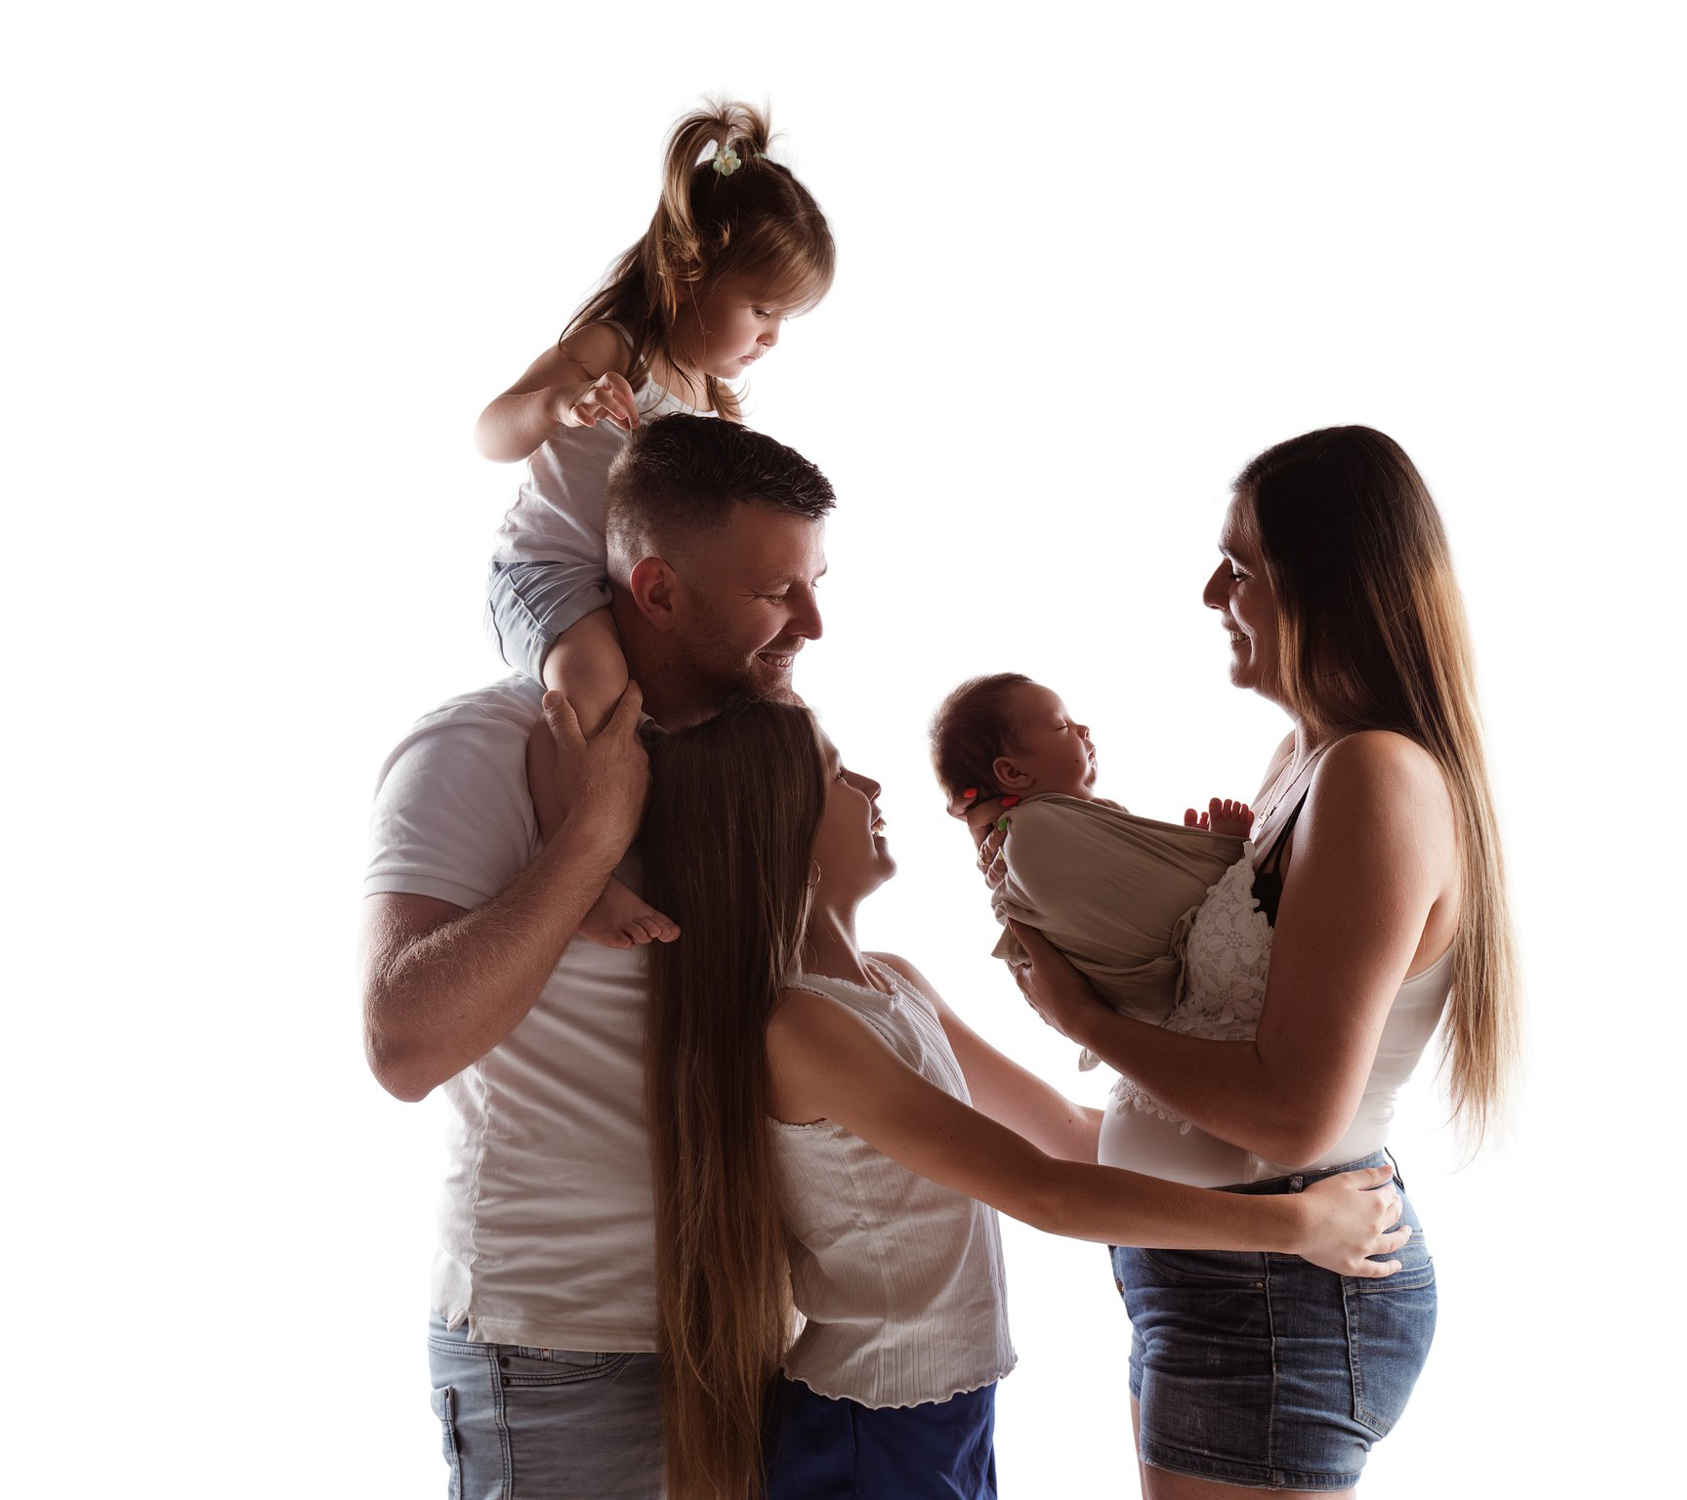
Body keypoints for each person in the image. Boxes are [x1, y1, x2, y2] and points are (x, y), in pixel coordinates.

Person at [637, 698, 1415, 1500]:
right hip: (873, 1426)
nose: (870, 785)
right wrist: (1294, 1226)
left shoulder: (893, 983)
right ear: (775, 830)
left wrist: (1263, 1145)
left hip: (951, 1414)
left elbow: (1065, 1137)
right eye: (836, 774)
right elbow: (1040, 1191)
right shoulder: (803, 1028)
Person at [997, 426, 1520, 1496]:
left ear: (1323, 585)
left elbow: (1291, 1116)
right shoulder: (1304, 761)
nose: (1207, 593)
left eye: (1238, 568)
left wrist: (1080, 1022)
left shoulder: (1375, 777)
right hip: (1210, 1272)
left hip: (1275, 1292)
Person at [361, 416, 836, 1500]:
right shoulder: (472, 752)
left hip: (757, 1336)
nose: (814, 622)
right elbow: (401, 1044)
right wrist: (588, 839)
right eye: (778, 593)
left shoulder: (770, 752)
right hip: (556, 1350)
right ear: (659, 592)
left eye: (813, 584)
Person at [476, 99, 834, 948]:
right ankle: (582, 871)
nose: (772, 338)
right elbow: (491, 427)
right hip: (550, 573)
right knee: (594, 686)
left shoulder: (712, 400)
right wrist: (558, 407)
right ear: (686, 278)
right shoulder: (615, 349)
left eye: (785, 319)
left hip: (639, 587)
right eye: (761, 310)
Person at [929, 672, 1252, 1068]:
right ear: (1012, 774)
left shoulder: (1073, 824)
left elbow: (1135, 893)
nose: (1082, 728)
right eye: (1062, 725)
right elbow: (1157, 913)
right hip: (1163, 993)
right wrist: (1215, 854)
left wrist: (1186, 849)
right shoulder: (1034, 832)